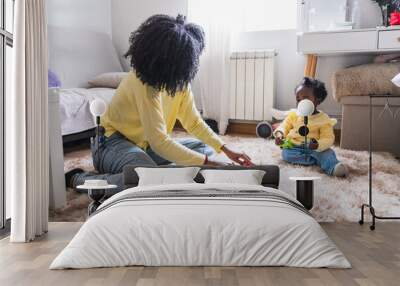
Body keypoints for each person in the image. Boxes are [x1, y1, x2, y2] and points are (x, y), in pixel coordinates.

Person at [66, 14, 253, 192]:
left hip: (144, 145)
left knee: (202, 148)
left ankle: (144, 167)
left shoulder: (179, 82)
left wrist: (225, 149)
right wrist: (210, 164)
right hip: (112, 143)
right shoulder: (143, 83)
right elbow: (160, 142)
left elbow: (193, 122)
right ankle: (79, 179)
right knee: (147, 179)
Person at [274, 77, 349, 177]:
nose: (300, 102)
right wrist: (280, 135)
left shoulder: (323, 119)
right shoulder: (294, 115)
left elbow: (328, 138)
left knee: (327, 153)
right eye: (298, 99)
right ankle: (314, 160)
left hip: (315, 148)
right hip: (295, 147)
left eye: (305, 99)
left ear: (317, 100)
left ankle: (333, 167)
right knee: (286, 154)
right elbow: (284, 126)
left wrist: (318, 145)